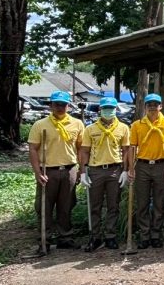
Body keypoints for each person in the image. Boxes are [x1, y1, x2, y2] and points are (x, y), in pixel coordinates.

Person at [27, 91, 86, 250]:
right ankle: (44, 239)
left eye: (63, 105)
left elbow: (81, 148)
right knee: (44, 206)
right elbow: (33, 149)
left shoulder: (77, 124)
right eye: (56, 104)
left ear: (68, 106)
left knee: (67, 205)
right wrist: (37, 172)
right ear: (51, 106)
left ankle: (65, 237)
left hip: (69, 169)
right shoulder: (40, 125)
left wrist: (81, 169)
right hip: (48, 171)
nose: (60, 107)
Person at [78, 97, 131, 251]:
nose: (108, 111)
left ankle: (110, 236)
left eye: (111, 108)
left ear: (115, 110)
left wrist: (126, 170)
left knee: (113, 205)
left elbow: (126, 150)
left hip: (115, 170)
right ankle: (95, 237)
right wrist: (83, 172)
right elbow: (84, 151)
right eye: (105, 108)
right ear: (100, 110)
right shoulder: (90, 129)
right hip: (96, 170)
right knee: (95, 205)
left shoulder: (123, 128)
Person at [128, 93, 164, 249]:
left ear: (161, 106)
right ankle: (144, 235)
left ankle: (156, 234)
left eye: (156, 104)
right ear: (145, 107)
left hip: (161, 165)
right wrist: (131, 168)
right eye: (150, 105)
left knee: (160, 202)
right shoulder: (137, 125)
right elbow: (132, 147)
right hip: (142, 166)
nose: (153, 107)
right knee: (142, 202)